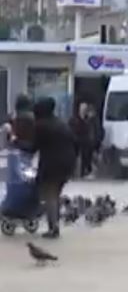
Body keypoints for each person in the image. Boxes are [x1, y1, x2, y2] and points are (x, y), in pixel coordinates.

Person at [25, 98, 75, 239]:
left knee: (50, 195)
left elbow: (34, 147)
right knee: (55, 195)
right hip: (67, 163)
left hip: (53, 164)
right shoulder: (61, 123)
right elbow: (74, 141)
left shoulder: (41, 125)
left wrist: (18, 145)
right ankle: (55, 225)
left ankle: (53, 228)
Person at [69, 101, 97, 179]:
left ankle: (84, 173)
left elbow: (92, 131)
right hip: (77, 144)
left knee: (86, 158)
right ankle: (76, 174)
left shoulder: (89, 120)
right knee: (77, 159)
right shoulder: (74, 120)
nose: (84, 110)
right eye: (82, 108)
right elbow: (72, 131)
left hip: (86, 144)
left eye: (85, 108)